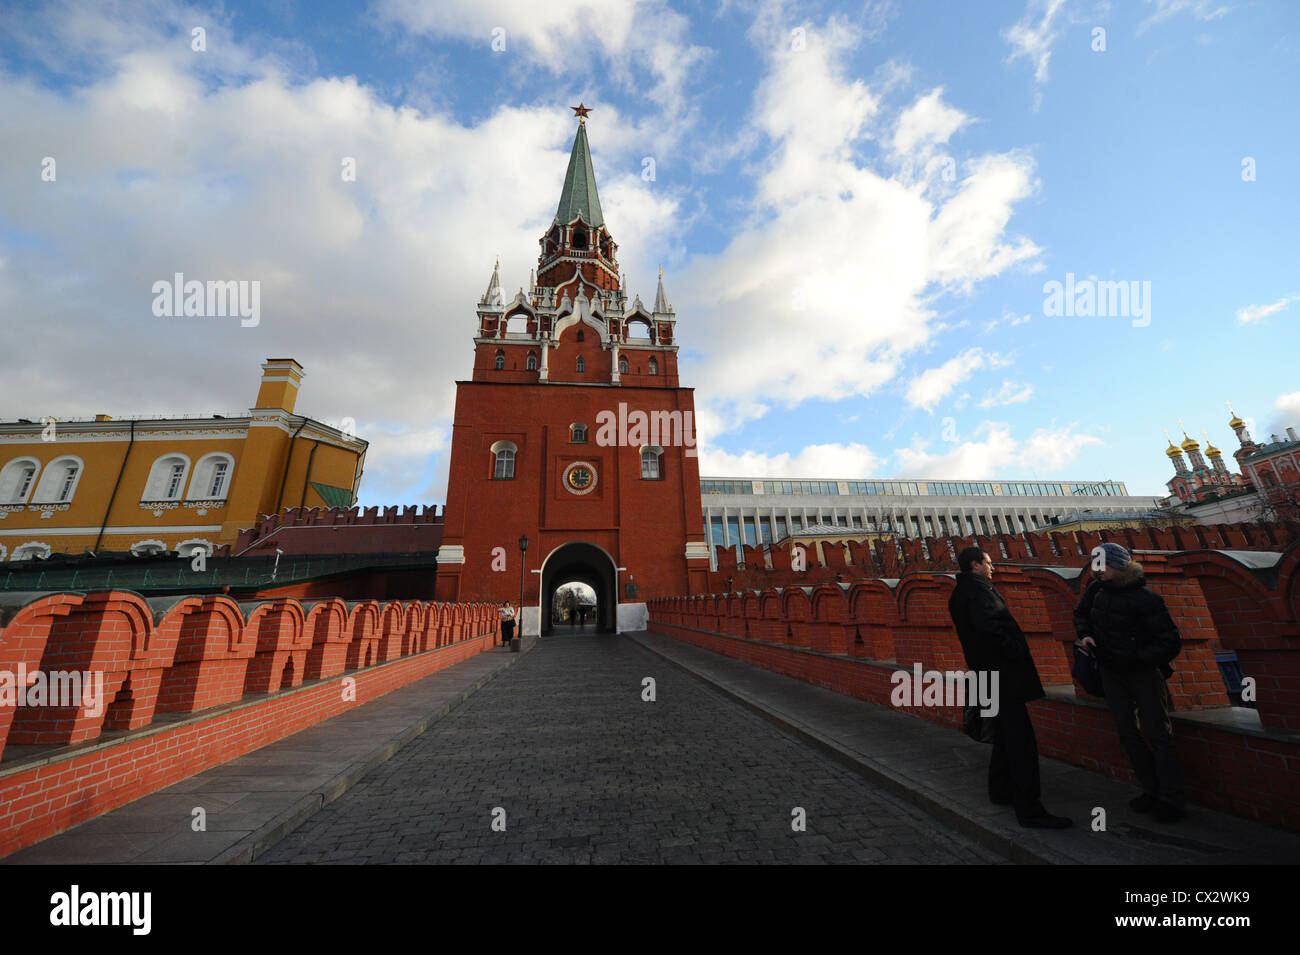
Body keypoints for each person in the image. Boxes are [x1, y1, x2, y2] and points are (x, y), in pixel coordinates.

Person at [948, 546, 1072, 829]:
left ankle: (1000, 789)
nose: (992, 568)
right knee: (1021, 742)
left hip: (987, 675)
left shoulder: (961, 591)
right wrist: (1016, 651)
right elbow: (991, 628)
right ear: (975, 564)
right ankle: (1030, 810)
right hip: (1002, 676)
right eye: (988, 563)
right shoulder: (978, 591)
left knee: (1005, 735)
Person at [1075, 543, 1184, 823]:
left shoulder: (1145, 598)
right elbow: (1081, 615)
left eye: (1103, 566)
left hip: (1142, 673)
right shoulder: (1095, 591)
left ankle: (1171, 799)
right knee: (1127, 732)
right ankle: (1151, 789)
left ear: (1120, 566)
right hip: (1110, 672)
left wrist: (1137, 659)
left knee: (1158, 733)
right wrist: (1085, 635)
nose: (1097, 571)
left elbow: (1169, 641)